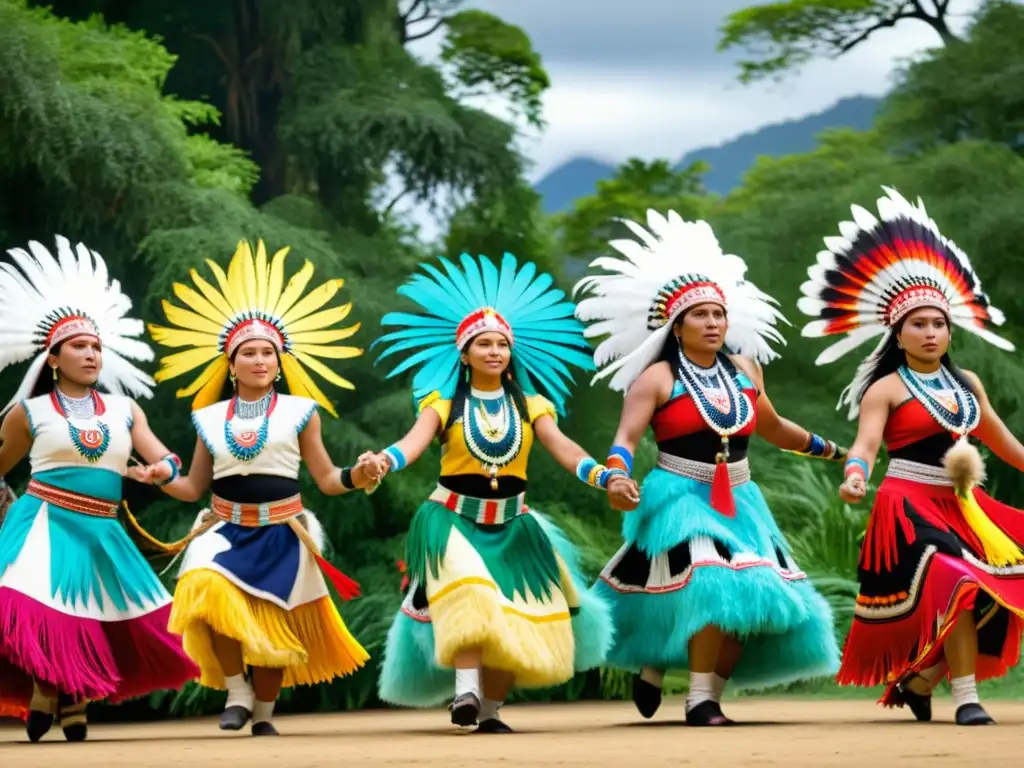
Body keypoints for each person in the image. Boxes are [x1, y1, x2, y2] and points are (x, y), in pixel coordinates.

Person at [574, 210, 845, 726]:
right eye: (700, 315)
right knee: (709, 579)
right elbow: (626, 438)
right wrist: (617, 474)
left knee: (749, 601)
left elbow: (774, 427)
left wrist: (832, 451)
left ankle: (686, 679)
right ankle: (699, 700)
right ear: (677, 326)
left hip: (742, 500)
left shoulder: (745, 370)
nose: (713, 323)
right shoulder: (655, 378)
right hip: (678, 497)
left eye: (719, 314)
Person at [367, 252, 626, 733]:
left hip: (514, 524)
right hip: (450, 520)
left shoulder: (532, 405)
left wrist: (603, 475)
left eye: (501, 344)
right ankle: (465, 690)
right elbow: (411, 443)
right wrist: (382, 460)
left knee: (518, 614)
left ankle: (488, 711)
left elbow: (565, 449)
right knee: (470, 592)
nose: (494, 351)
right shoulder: (441, 404)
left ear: (512, 352)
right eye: (482, 344)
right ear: (463, 353)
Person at [128, 239, 376, 736]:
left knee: (273, 624)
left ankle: (263, 712)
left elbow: (326, 480)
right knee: (203, 587)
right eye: (249, 353)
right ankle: (237, 691)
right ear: (231, 363)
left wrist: (359, 475)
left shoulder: (301, 412)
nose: (260, 360)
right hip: (222, 528)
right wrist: (160, 478)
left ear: (279, 362)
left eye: (268, 352)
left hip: (284, 531)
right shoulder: (207, 418)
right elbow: (194, 485)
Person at [797, 186, 1024, 726]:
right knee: (961, 580)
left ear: (950, 331)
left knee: (999, 584)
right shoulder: (887, 389)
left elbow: (1004, 443)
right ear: (898, 334)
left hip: (966, 507)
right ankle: (966, 698)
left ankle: (922, 680)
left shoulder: (967, 384)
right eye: (918, 324)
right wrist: (854, 477)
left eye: (938, 324)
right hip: (908, 508)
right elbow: (866, 447)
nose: (929, 332)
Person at [0, 236, 199, 742]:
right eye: (79, 347)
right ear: (53, 357)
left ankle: (75, 695)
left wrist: (161, 472)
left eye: (95, 347)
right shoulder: (29, 414)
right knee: (47, 610)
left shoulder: (125, 410)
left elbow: (167, 461)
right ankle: (50, 691)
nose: (90, 354)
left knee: (95, 613)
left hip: (101, 526)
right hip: (44, 520)